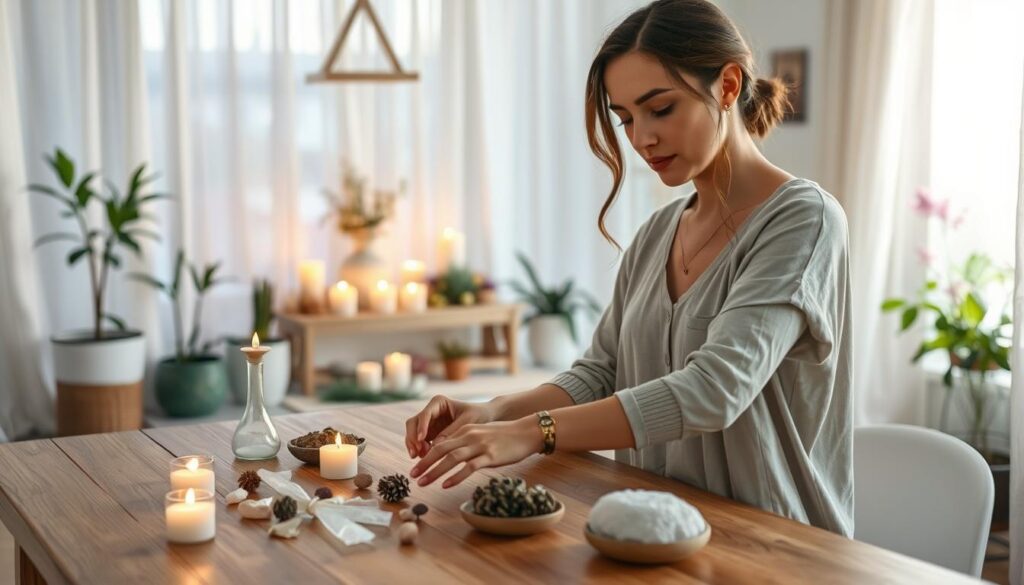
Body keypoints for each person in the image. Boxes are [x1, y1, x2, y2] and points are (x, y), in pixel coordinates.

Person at [404, 0, 853, 536]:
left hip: (772, 545)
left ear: (728, 86)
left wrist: (533, 431)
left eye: (660, 109)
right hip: (649, 532)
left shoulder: (805, 221)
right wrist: (496, 410)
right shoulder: (657, 233)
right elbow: (601, 373)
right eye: (626, 119)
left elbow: (714, 391)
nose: (641, 138)